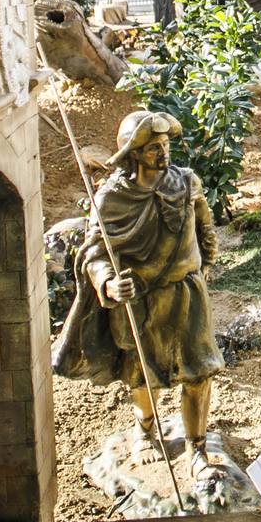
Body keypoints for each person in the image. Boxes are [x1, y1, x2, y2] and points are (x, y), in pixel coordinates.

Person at [55, 112, 228, 468]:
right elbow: (94, 252)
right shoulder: (112, 199)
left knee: (198, 372)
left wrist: (204, 266)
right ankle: (145, 431)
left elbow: (205, 227)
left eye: (165, 146)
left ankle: (197, 446)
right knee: (142, 371)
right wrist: (107, 282)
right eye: (153, 149)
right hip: (141, 301)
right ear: (133, 154)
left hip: (186, 295)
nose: (163, 154)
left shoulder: (186, 182)